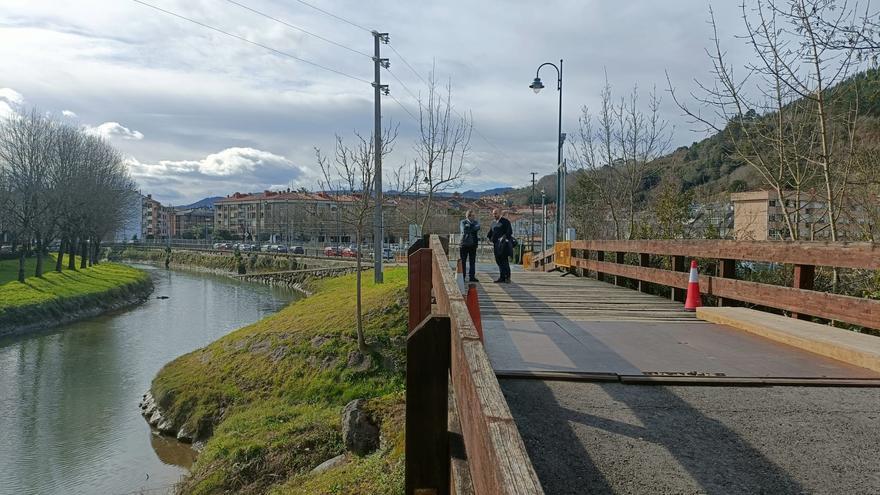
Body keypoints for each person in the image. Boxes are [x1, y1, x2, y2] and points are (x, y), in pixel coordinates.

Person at [487, 208, 513, 283]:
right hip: (496, 245)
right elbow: (490, 233)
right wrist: (488, 239)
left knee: (504, 261)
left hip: (504, 245)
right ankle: (502, 277)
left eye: (496, 213)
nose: (494, 215)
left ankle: (507, 277)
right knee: (498, 261)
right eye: (493, 214)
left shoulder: (505, 222)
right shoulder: (493, 223)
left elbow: (509, 232)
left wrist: (503, 237)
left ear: (500, 213)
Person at [459, 210, 480, 282]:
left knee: (472, 261)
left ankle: (472, 277)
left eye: (474, 215)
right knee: (463, 261)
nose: (474, 217)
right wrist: (472, 228)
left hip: (473, 245)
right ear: (468, 216)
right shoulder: (463, 222)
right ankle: (463, 277)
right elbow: (464, 230)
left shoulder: (476, 222)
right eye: (473, 216)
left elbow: (478, 228)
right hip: (464, 244)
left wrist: (469, 227)